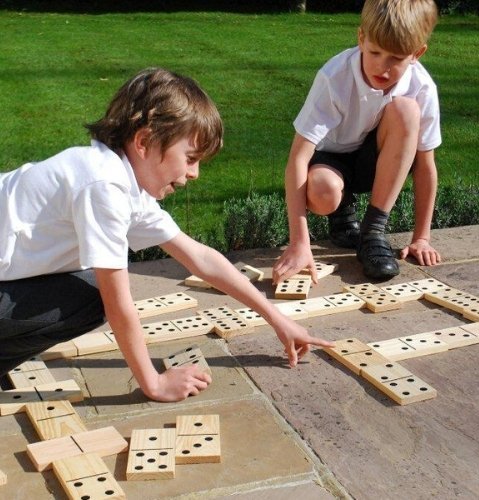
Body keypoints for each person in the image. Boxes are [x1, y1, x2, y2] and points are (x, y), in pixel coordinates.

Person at [0, 68, 332, 402]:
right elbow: (119, 302)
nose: (195, 173)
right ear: (143, 142)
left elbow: (201, 258)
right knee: (96, 292)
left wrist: (277, 319)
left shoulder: (121, 183)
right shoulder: (103, 187)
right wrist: (154, 383)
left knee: (88, 288)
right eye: (190, 158)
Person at [273, 0, 442, 284]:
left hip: (376, 162)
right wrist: (299, 243)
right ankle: (340, 213)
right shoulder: (334, 77)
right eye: (375, 52)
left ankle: (373, 232)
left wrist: (421, 238)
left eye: (396, 58)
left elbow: (425, 165)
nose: (382, 67)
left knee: (406, 111)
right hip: (330, 160)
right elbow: (298, 159)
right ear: (361, 38)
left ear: (417, 54)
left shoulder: (422, 87)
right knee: (323, 191)